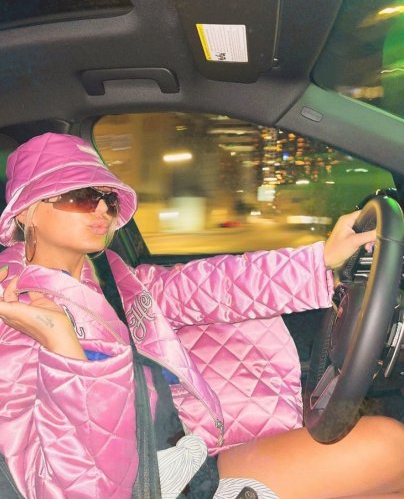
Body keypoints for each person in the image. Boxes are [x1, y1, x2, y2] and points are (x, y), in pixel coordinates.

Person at [0, 132, 401, 499]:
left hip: (183, 456)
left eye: (109, 199)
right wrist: (65, 349)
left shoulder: (112, 280)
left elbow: (212, 285)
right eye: (82, 196)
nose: (102, 209)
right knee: (389, 447)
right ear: (27, 212)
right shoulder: (15, 314)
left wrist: (322, 259)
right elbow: (65, 488)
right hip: (151, 485)